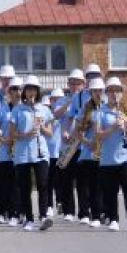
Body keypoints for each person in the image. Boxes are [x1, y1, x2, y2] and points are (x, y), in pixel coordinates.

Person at [98, 77, 127, 231]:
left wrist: (125, 125)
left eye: (118, 90)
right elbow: (98, 135)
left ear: (121, 93)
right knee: (111, 191)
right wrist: (113, 128)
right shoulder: (101, 112)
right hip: (108, 158)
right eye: (111, 90)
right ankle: (113, 219)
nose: (115, 94)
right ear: (107, 93)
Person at [11, 76, 54, 231]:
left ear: (38, 91)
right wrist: (26, 134)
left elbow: (50, 133)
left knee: (43, 184)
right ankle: (28, 218)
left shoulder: (44, 109)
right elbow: (13, 134)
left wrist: (42, 127)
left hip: (41, 152)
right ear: (24, 92)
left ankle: (43, 216)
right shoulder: (18, 109)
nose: (31, 92)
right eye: (28, 89)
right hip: (23, 154)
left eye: (34, 89)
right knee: (25, 187)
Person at [53, 70, 85, 222]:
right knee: (66, 180)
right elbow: (56, 115)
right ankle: (68, 211)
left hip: (81, 145)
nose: (74, 86)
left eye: (77, 83)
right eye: (71, 83)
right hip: (66, 146)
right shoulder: (62, 100)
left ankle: (84, 212)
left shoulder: (87, 100)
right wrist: (70, 101)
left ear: (83, 84)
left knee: (82, 181)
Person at [75, 76, 106, 227]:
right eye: (95, 91)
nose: (98, 93)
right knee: (88, 186)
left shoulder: (108, 107)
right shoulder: (85, 109)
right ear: (91, 92)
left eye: (100, 90)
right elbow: (77, 132)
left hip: (105, 153)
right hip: (88, 153)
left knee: (100, 186)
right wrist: (89, 143)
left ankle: (99, 214)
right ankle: (88, 214)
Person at [0, 78, 21, 225]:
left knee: (17, 185)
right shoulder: (3, 108)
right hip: (4, 152)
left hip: (20, 154)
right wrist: (0, 137)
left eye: (19, 89)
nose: (17, 92)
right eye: (14, 89)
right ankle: (0, 212)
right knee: (3, 184)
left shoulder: (26, 108)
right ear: (9, 92)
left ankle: (15, 213)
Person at [46, 88, 66, 216]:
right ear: (51, 101)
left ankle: (61, 202)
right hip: (48, 153)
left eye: (60, 99)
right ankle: (49, 205)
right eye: (55, 99)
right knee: (48, 181)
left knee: (61, 180)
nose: (57, 101)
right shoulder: (47, 113)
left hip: (62, 152)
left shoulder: (67, 115)